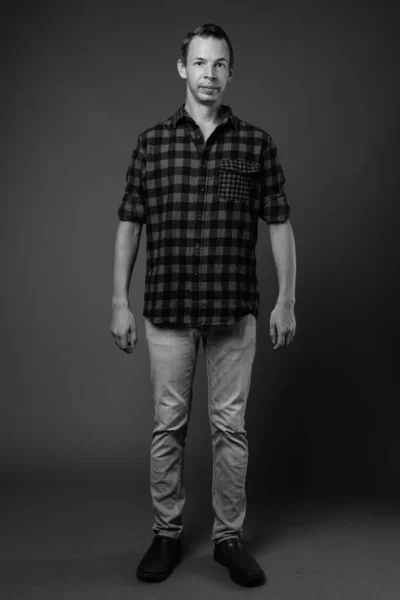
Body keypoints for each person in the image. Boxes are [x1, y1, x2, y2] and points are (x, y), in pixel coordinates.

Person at [110, 22, 296, 588]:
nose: (209, 74)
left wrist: (287, 299)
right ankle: (166, 534)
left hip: (233, 309)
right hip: (166, 309)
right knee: (168, 426)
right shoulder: (151, 142)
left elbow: (281, 225)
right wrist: (117, 299)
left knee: (229, 429)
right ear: (182, 69)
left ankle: (228, 539)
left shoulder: (255, 143)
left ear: (230, 73)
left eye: (219, 64)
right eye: (199, 63)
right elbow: (129, 224)